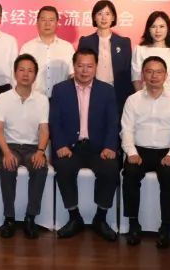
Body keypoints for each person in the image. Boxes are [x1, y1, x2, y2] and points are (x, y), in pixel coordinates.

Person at [49, 48, 120, 241]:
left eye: (89, 66)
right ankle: (74, 217)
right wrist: (60, 145)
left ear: (96, 67)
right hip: (71, 147)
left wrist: (110, 146)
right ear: (74, 66)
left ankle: (100, 218)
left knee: (110, 169)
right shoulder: (60, 89)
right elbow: (55, 121)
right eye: (80, 66)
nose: (84, 70)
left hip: (98, 148)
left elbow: (113, 122)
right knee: (63, 167)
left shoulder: (106, 90)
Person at [121, 56, 170, 248]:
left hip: (167, 151)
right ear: (143, 75)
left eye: (159, 72)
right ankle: (133, 225)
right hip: (139, 150)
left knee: (169, 177)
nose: (154, 76)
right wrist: (131, 152)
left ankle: (165, 227)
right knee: (130, 174)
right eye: (149, 71)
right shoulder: (133, 100)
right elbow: (126, 130)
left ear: (166, 75)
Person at [0, 54, 50, 239]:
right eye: (21, 70)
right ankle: (9, 218)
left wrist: (40, 151)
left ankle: (30, 217)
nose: (26, 74)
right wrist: (6, 152)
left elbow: (44, 130)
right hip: (9, 145)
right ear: (15, 73)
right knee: (8, 167)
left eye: (30, 71)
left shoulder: (42, 100)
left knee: (40, 167)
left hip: (33, 147)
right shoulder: (2, 98)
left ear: (35, 75)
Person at [77, 0, 133, 111]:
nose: (103, 18)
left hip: (117, 92)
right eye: (99, 14)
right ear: (94, 17)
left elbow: (127, 71)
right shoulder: (85, 41)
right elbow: (80, 67)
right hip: (92, 91)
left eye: (107, 14)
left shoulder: (124, 42)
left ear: (113, 17)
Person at [19, 5, 74, 98]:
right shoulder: (27, 48)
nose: (47, 24)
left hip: (61, 99)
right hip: (35, 99)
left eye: (51, 20)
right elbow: (20, 76)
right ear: (37, 23)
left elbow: (72, 75)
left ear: (57, 23)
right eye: (43, 20)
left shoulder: (67, 48)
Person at [131, 11, 170, 95]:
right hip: (145, 97)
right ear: (148, 29)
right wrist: (142, 99)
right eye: (153, 27)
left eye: (162, 26)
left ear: (168, 29)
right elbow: (136, 80)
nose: (158, 31)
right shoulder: (139, 50)